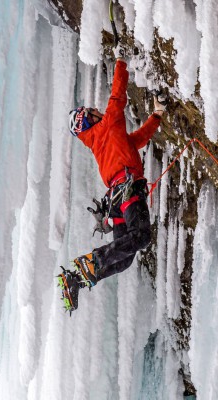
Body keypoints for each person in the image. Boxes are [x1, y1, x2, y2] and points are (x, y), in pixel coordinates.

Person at [60, 47, 165, 312]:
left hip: (117, 198)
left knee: (127, 257)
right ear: (90, 119)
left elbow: (137, 140)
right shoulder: (108, 126)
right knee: (139, 237)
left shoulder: (104, 141)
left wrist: (157, 116)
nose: (98, 109)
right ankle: (92, 262)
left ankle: (77, 280)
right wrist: (120, 61)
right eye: (93, 111)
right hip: (126, 192)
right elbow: (117, 97)